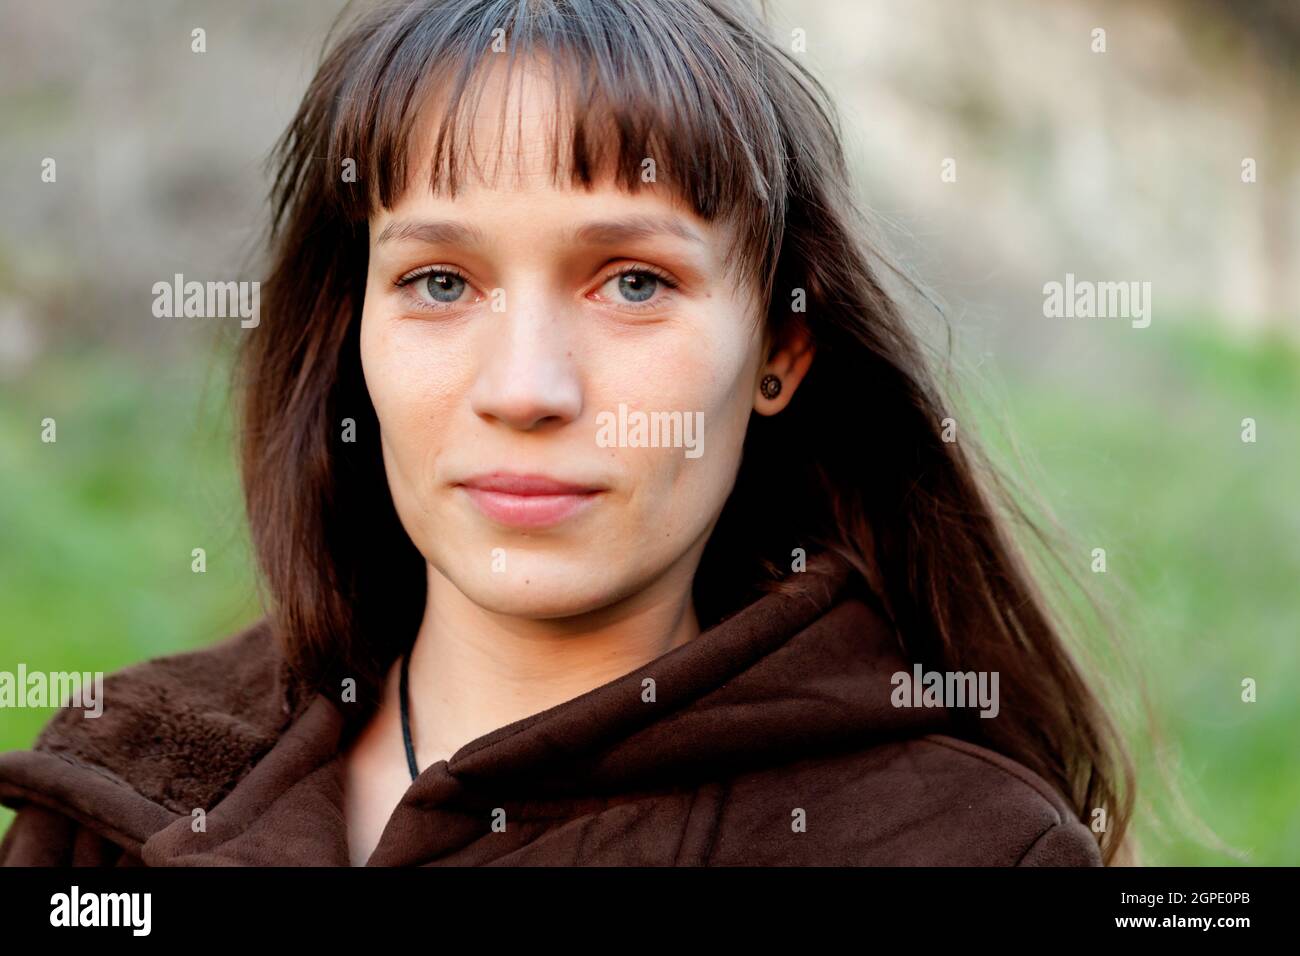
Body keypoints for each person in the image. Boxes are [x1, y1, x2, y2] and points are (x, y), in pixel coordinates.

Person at [0, 0, 1133, 866]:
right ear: (356, 336)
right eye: (441, 281)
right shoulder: (122, 781)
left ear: (781, 352)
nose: (526, 386)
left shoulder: (958, 846)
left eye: (633, 282)